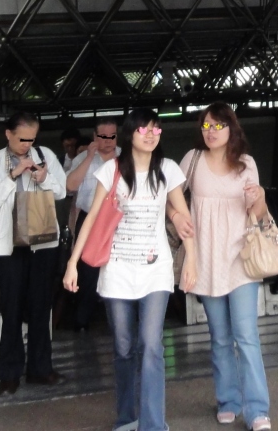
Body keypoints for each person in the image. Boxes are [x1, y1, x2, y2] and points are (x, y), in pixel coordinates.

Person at [64, 109, 197, 431]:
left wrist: (191, 259)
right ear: (130, 134)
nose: (150, 135)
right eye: (143, 130)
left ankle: (153, 424)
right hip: (117, 270)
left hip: (156, 269)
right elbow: (91, 218)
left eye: (155, 130)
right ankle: (127, 417)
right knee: (123, 347)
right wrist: (72, 263)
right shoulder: (111, 169)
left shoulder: (167, 169)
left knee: (151, 345)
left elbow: (184, 218)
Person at [177, 103, 271, 431]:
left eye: (218, 125)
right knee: (219, 337)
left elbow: (257, 213)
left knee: (246, 335)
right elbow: (172, 198)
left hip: (240, 259)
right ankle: (228, 400)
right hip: (206, 260)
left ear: (232, 128)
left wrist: (259, 196)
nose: (211, 131)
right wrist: (176, 216)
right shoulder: (192, 160)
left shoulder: (246, 164)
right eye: (206, 125)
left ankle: (257, 410)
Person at [0, 111, 68, 396]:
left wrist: (44, 177)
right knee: (11, 307)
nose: (27, 145)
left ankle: (41, 369)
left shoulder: (45, 155)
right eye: (22, 139)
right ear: (8, 134)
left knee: (41, 306)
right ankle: (9, 373)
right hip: (9, 247)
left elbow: (62, 191)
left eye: (32, 139)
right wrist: (13, 175)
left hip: (42, 242)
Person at [65, 118, 120, 330]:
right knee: (88, 270)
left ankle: (120, 320)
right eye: (103, 136)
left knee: (118, 267)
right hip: (89, 218)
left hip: (118, 220)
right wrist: (89, 156)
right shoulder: (82, 158)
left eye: (112, 136)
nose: (108, 140)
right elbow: (69, 186)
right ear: (95, 137)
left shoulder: (125, 157)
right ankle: (82, 320)